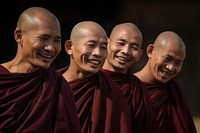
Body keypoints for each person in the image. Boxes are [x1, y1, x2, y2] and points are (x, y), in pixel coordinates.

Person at [0, 7, 81, 133]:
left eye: (57, 40)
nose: (51, 48)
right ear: (19, 36)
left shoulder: (57, 85)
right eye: (43, 38)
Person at [58, 21, 132, 133]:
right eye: (91, 45)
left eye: (103, 47)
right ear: (69, 47)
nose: (98, 53)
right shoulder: (50, 86)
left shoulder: (111, 90)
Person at [134, 31, 197, 133]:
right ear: (150, 51)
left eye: (178, 63)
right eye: (167, 58)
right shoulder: (129, 88)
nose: (171, 67)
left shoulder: (174, 92)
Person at [101, 22, 156, 133]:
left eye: (134, 47)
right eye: (121, 43)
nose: (126, 51)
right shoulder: (88, 80)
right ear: (107, 43)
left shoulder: (138, 91)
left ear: (140, 55)